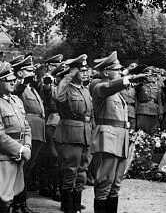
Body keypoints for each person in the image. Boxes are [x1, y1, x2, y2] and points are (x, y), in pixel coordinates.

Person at [90, 51, 146, 213]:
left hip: (119, 139)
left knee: (116, 183)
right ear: (106, 72)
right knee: (104, 182)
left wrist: (127, 79)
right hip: (107, 139)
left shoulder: (116, 90)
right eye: (117, 69)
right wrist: (127, 79)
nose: (121, 71)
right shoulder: (98, 85)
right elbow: (107, 88)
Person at [0, 62, 33, 213]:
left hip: (19, 153)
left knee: (17, 193)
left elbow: (26, 127)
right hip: (3, 156)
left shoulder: (16, 100)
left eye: (13, 78)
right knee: (4, 199)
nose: (13, 81)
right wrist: (20, 150)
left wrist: (27, 146)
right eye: (8, 79)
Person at [54, 54, 93, 213]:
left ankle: (76, 206)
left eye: (86, 70)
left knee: (82, 172)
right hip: (69, 134)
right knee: (70, 171)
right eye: (80, 70)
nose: (85, 73)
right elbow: (57, 96)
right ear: (73, 72)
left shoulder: (84, 89)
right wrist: (69, 75)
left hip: (85, 134)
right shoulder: (66, 89)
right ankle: (67, 207)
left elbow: (91, 113)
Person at [12, 55, 45, 197]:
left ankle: (21, 201)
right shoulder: (19, 86)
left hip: (37, 131)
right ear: (20, 73)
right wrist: (23, 82)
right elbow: (16, 91)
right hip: (28, 130)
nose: (32, 73)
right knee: (22, 168)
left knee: (28, 169)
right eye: (29, 70)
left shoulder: (32, 88)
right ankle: (17, 201)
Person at [38, 54, 63, 200]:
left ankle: (57, 188)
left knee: (60, 157)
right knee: (52, 157)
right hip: (51, 120)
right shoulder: (47, 81)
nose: (57, 68)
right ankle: (51, 189)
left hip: (61, 121)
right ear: (49, 66)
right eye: (55, 65)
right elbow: (46, 91)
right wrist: (50, 80)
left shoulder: (61, 81)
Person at [135, 67, 163, 134]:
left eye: (151, 75)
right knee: (141, 132)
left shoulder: (157, 86)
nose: (150, 77)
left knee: (154, 131)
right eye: (148, 75)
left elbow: (159, 100)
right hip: (143, 110)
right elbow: (136, 90)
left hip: (154, 111)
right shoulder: (140, 85)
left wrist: (160, 111)